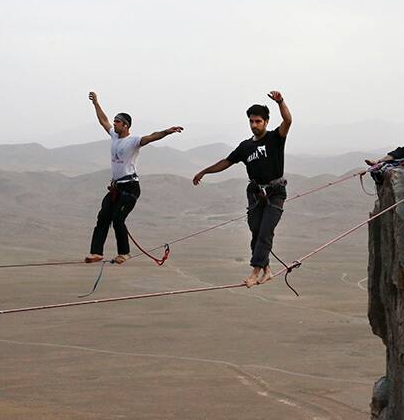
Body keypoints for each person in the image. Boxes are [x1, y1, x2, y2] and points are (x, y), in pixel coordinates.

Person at [193, 91, 292, 287]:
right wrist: (204, 171)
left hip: (275, 192)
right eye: (251, 122)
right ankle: (267, 270)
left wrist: (280, 102)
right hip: (255, 194)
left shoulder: (275, 138)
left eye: (258, 121)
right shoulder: (245, 146)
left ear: (266, 121)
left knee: (265, 231)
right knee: (255, 231)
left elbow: (288, 121)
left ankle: (255, 271)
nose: (254, 125)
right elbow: (227, 162)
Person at [85, 91, 183, 264]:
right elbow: (103, 120)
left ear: (126, 125)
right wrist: (96, 103)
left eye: (118, 122)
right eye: (114, 121)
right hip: (116, 188)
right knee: (103, 217)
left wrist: (167, 131)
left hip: (130, 188)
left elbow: (152, 136)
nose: (114, 124)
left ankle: (124, 253)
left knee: (117, 219)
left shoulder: (134, 141)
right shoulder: (114, 136)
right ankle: (96, 252)